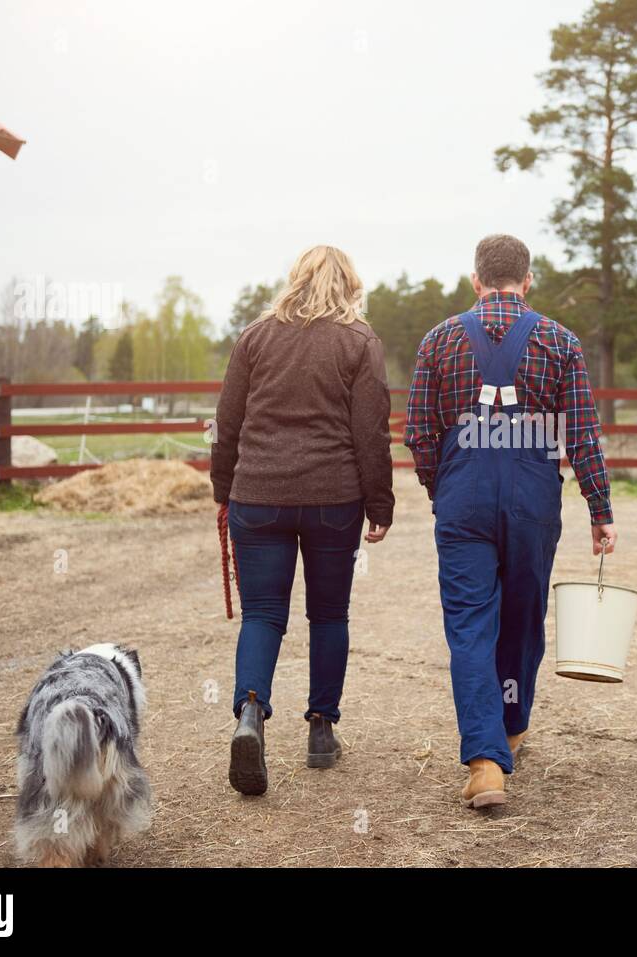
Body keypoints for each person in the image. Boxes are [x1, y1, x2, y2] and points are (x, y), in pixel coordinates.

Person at [405, 233, 616, 808]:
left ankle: (484, 762)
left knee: (470, 626)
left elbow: (419, 433)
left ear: (475, 281)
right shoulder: (561, 342)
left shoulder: (439, 340)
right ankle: (512, 727)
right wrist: (601, 510)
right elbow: (582, 438)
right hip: (532, 500)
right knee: (523, 616)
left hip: (462, 498)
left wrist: (441, 487)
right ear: (527, 281)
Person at [211, 245, 393, 796]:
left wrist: (224, 490)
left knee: (263, 614)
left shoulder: (255, 337)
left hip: (258, 495)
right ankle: (320, 729)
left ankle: (249, 713)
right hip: (332, 499)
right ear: (351, 285)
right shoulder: (360, 341)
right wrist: (379, 504)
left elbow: (227, 421)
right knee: (329, 614)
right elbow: (371, 431)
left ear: (295, 280)